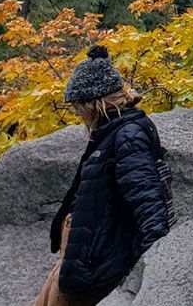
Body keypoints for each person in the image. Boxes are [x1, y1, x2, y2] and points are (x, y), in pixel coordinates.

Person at [32, 45, 173, 306]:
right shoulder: (109, 133)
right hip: (79, 259)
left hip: (95, 264)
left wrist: (155, 268)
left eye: (78, 105)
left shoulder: (128, 135)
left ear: (94, 103)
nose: (76, 112)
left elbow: (148, 202)